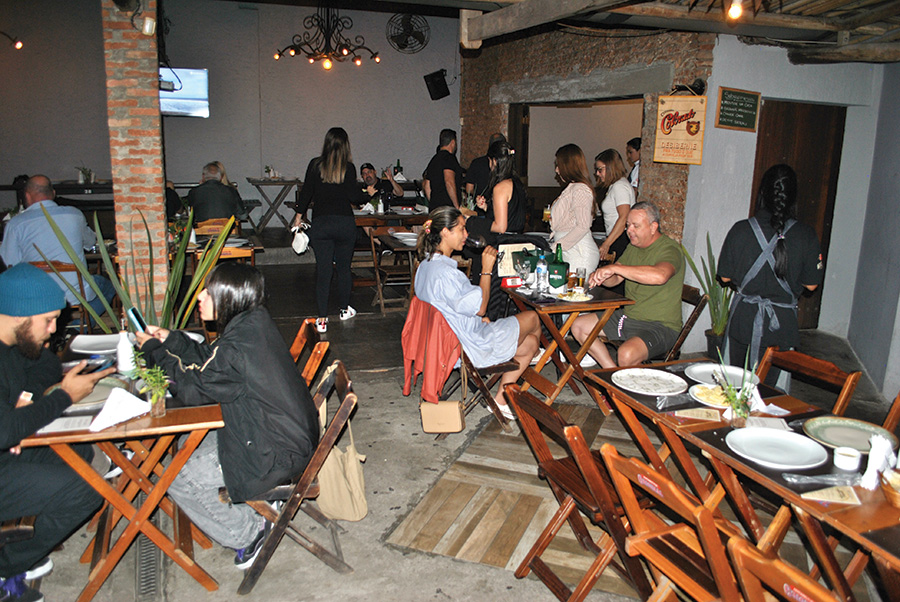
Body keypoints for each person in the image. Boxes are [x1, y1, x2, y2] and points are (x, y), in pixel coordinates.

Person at [135, 263, 319, 570]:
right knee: (187, 444)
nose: (200, 297)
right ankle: (260, 509)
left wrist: (155, 351)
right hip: (279, 433)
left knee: (178, 478)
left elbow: (193, 391)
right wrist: (172, 340)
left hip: (275, 452)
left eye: (209, 292)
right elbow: (212, 365)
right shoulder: (252, 322)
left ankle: (250, 533)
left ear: (228, 298)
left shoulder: (239, 344)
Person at [0, 263, 112, 602]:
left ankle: (22, 550)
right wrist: (64, 397)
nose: (53, 329)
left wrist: (25, 402)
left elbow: (47, 363)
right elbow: (6, 431)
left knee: (82, 454)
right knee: (86, 491)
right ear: (20, 315)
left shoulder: (13, 342)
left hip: (9, 450)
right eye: (48, 320)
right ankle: (7, 565)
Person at [414, 207, 541, 420]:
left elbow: (450, 307)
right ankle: (534, 359)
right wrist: (486, 269)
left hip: (446, 341)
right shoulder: (446, 273)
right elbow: (481, 306)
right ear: (445, 232)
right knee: (533, 318)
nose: (466, 235)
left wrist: (474, 318)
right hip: (469, 346)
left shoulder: (425, 266)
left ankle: (501, 399)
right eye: (462, 229)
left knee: (530, 343)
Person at [718, 164, 823, 367]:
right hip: (781, 328)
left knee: (734, 382)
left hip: (744, 322)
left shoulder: (740, 229)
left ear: (763, 193)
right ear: (793, 196)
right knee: (770, 386)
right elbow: (811, 285)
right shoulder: (806, 235)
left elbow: (725, 277)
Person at [571, 202, 684, 368]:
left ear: (653, 227)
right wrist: (603, 276)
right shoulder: (633, 247)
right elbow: (616, 279)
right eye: (628, 225)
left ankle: (623, 382)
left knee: (626, 354)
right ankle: (611, 372)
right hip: (628, 317)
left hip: (660, 326)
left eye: (635, 226)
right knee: (579, 326)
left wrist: (615, 268)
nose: (629, 230)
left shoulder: (670, 249)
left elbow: (660, 276)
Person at [0, 175, 116, 322]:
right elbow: (91, 241)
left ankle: (52, 326)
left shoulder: (15, 224)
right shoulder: (74, 214)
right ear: (53, 193)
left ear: (27, 196)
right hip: (75, 294)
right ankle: (79, 326)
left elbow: (9, 263)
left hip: (35, 296)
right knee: (110, 286)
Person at [292, 127, 367, 333]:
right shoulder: (349, 168)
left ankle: (322, 319)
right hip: (344, 224)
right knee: (344, 269)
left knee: (324, 272)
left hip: (322, 224)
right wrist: (367, 194)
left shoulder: (315, 165)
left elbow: (306, 193)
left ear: (326, 143)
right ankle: (344, 310)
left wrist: (298, 217)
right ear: (346, 146)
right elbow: (354, 197)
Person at [549, 144, 600, 275]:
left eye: (558, 165)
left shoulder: (580, 189)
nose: (556, 170)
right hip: (570, 250)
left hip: (579, 252)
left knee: (574, 288)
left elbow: (583, 226)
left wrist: (557, 247)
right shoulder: (573, 187)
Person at [468, 139, 526, 240]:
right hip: (517, 239)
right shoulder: (517, 183)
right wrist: (486, 207)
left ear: (494, 161)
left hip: (504, 242)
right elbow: (510, 214)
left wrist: (472, 221)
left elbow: (501, 227)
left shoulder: (501, 187)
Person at [595, 148, 635, 259]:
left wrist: (606, 244)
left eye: (600, 169)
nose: (597, 173)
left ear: (610, 167)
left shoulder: (620, 186)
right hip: (617, 237)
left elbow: (624, 217)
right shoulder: (615, 185)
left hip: (620, 238)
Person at [423, 129, 462, 210]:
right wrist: (456, 206)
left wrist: (434, 202)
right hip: (448, 208)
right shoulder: (449, 158)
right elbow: (449, 181)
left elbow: (426, 185)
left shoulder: (434, 160)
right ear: (453, 142)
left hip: (435, 208)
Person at [465, 132, 506, 200]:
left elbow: (469, 189)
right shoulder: (506, 165)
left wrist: (478, 196)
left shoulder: (477, 163)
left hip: (480, 203)